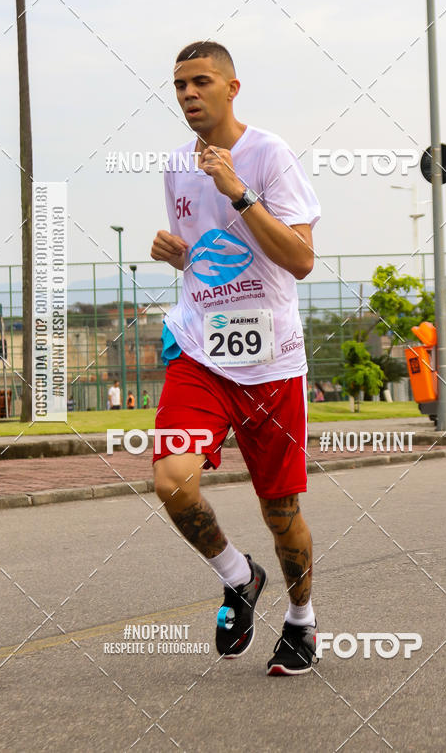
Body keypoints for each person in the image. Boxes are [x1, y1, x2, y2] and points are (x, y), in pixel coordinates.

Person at [151, 41, 320, 676]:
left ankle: (301, 619)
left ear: (231, 87)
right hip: (201, 350)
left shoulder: (269, 155)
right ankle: (238, 576)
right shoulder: (175, 164)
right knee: (172, 480)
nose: (189, 94)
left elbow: (301, 260)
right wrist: (178, 253)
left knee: (281, 514)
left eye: (200, 81)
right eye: (179, 85)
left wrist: (241, 192)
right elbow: (205, 253)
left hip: (271, 363)